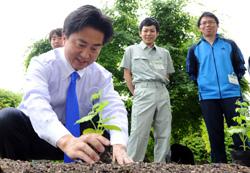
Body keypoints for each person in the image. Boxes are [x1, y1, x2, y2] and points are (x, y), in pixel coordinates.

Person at [0, 5, 133, 165]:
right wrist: (65, 140)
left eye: (94, 48)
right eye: (81, 45)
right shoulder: (42, 64)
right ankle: (18, 167)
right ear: (64, 37)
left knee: (107, 133)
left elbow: (113, 107)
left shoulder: (101, 76)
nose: (86, 55)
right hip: (40, 135)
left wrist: (119, 143)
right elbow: (36, 104)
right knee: (7, 119)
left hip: (81, 138)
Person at [186, 12, 246, 163]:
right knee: (214, 133)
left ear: (217, 25)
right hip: (208, 97)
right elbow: (191, 72)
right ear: (199, 28)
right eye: (204, 23)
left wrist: (232, 82)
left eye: (211, 22)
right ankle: (219, 165)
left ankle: (244, 163)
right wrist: (204, 84)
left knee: (239, 130)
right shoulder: (194, 49)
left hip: (231, 94)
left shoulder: (229, 44)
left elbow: (240, 66)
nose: (208, 25)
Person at [120, 17, 175, 162]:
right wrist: (135, 92)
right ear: (140, 33)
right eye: (145, 31)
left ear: (157, 33)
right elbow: (127, 73)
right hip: (143, 90)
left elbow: (168, 73)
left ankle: (160, 165)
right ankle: (132, 164)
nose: (148, 34)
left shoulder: (164, 53)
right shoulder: (131, 50)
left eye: (152, 31)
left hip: (162, 91)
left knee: (164, 130)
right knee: (139, 131)